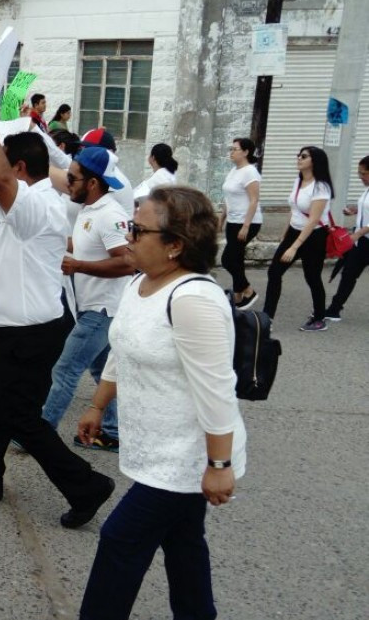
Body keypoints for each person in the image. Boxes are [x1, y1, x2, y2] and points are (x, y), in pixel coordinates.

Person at [0, 84, 114, 529]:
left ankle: (86, 485)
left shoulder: (34, 205)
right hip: (6, 329)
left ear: (17, 169)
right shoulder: (34, 196)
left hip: (25, 334)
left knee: (19, 417)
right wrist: (11, 124)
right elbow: (25, 169)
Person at [76, 186, 245, 620]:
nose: (127, 236)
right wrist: (97, 405)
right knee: (184, 543)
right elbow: (123, 348)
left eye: (138, 229)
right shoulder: (140, 283)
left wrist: (220, 465)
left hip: (187, 455)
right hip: (155, 445)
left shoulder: (193, 299)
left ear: (175, 245)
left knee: (120, 539)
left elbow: (216, 389)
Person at [42, 146, 133, 452]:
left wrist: (79, 266)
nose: (67, 183)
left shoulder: (110, 215)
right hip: (91, 307)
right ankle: (111, 432)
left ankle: (40, 433)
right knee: (101, 371)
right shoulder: (89, 210)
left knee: (65, 369)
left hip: (103, 310)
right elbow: (84, 244)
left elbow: (128, 262)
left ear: (92, 183)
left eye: (73, 178)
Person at [263, 146, 333, 332]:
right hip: (295, 232)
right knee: (274, 272)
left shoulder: (321, 187)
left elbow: (313, 220)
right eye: (298, 155)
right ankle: (267, 318)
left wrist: (294, 247)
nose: (299, 158)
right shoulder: (298, 180)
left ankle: (319, 318)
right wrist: (286, 234)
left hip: (314, 236)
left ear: (314, 161)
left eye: (303, 156)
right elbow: (294, 209)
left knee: (312, 277)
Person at [220, 138, 263, 309]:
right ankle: (238, 296)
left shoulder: (250, 172)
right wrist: (222, 218)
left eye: (235, 149)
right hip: (233, 220)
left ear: (246, 152)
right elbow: (228, 197)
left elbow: (254, 200)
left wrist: (246, 226)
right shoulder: (234, 170)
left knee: (227, 259)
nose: (231, 152)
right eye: (231, 149)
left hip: (247, 222)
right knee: (236, 258)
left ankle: (248, 290)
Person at [324, 155, 369, 322]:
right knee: (348, 274)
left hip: (362, 237)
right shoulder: (367, 190)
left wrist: (357, 233)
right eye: (359, 173)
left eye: (363, 173)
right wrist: (355, 210)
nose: (360, 177)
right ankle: (334, 309)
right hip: (361, 242)